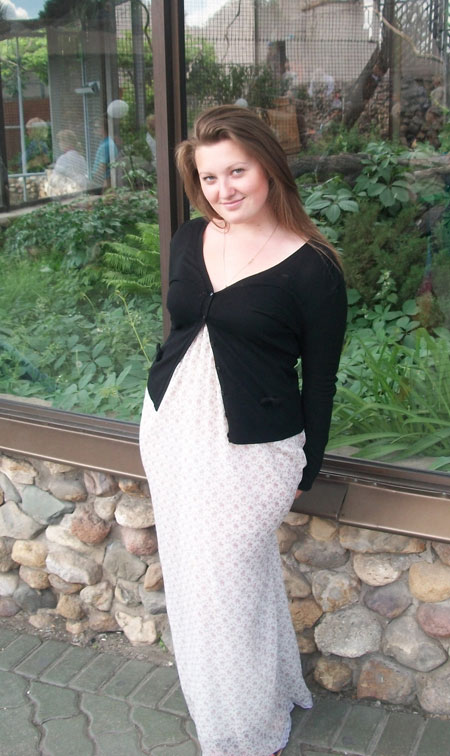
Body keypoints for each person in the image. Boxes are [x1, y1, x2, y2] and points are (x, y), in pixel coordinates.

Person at [139, 105, 347, 756]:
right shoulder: (189, 238)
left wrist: (307, 466)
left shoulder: (313, 268)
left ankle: (247, 731)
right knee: (195, 581)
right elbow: (182, 328)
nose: (223, 189)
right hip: (171, 431)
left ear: (269, 168)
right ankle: (245, 696)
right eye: (209, 177)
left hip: (253, 452)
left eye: (237, 171)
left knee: (228, 586)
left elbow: (320, 381)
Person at [46, 129, 87, 196]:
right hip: (81, 192)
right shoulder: (82, 158)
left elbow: (53, 181)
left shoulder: (63, 158)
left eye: (60, 141)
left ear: (67, 143)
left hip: (68, 194)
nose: (59, 144)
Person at [92, 116, 119, 190]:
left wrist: (92, 178)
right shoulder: (106, 142)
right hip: (106, 180)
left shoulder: (106, 145)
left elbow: (102, 168)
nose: (94, 130)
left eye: (96, 127)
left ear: (103, 128)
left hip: (106, 182)